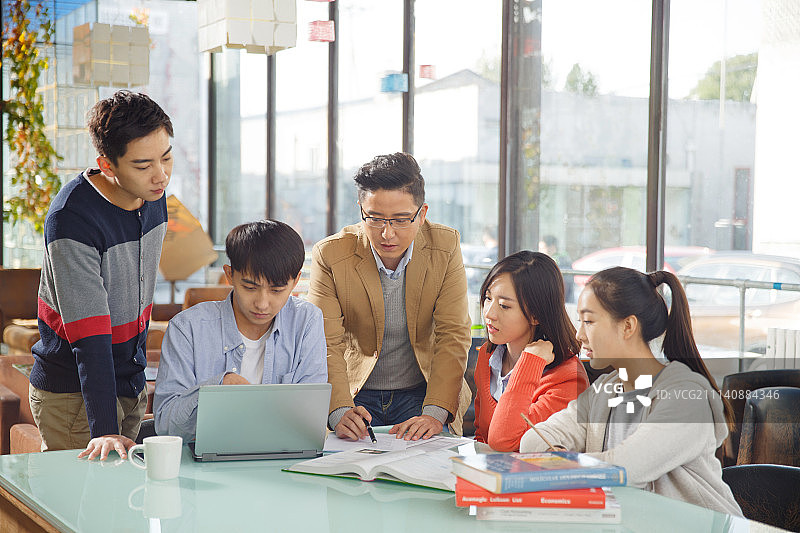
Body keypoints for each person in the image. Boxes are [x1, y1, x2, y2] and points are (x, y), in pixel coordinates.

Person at [519, 267, 742, 515]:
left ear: (627, 326)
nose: (579, 335)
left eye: (589, 322)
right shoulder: (604, 391)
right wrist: (559, 458)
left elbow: (626, 470)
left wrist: (561, 464)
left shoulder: (687, 398)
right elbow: (533, 438)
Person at [30, 90, 173, 460]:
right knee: (78, 514)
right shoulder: (72, 218)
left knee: (126, 515)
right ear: (107, 165)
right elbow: (90, 334)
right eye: (143, 165)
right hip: (75, 396)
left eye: (166, 157)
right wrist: (105, 427)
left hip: (129, 385)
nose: (161, 176)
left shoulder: (153, 200)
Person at [308, 152, 471, 442]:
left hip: (422, 391)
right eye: (375, 219)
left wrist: (434, 413)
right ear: (361, 209)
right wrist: (338, 410)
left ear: (422, 214)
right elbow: (325, 342)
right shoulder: (330, 255)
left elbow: (453, 335)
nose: (387, 233)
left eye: (400, 220)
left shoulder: (445, 246)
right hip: (356, 393)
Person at [154, 220, 327, 442]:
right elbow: (165, 425)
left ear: (295, 282)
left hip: (282, 458)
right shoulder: (188, 328)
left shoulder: (306, 321)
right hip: (204, 462)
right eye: (250, 288)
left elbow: (311, 420)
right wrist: (218, 388)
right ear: (229, 275)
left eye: (276, 290)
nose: (262, 304)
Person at [474, 251, 589, 451]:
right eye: (488, 298)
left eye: (504, 306)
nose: (489, 313)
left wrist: (530, 362)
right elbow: (481, 436)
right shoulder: (487, 356)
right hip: (489, 477)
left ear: (536, 315)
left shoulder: (568, 379)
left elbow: (504, 442)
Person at [538, 235, 573, 302]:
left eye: (542, 248)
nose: (539, 251)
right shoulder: (563, 258)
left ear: (552, 247)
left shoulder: (558, 262)